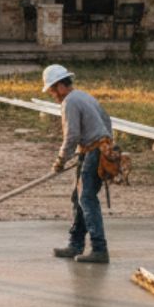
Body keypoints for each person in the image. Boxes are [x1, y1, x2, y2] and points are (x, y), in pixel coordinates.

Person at [43, 64, 112, 264]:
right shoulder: (84, 96)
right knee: (78, 198)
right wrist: (103, 147)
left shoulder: (69, 102)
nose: (53, 95)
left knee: (86, 198)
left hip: (94, 152)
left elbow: (71, 136)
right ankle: (75, 244)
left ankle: (99, 249)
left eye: (52, 90)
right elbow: (107, 121)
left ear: (60, 86)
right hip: (95, 150)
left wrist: (60, 160)